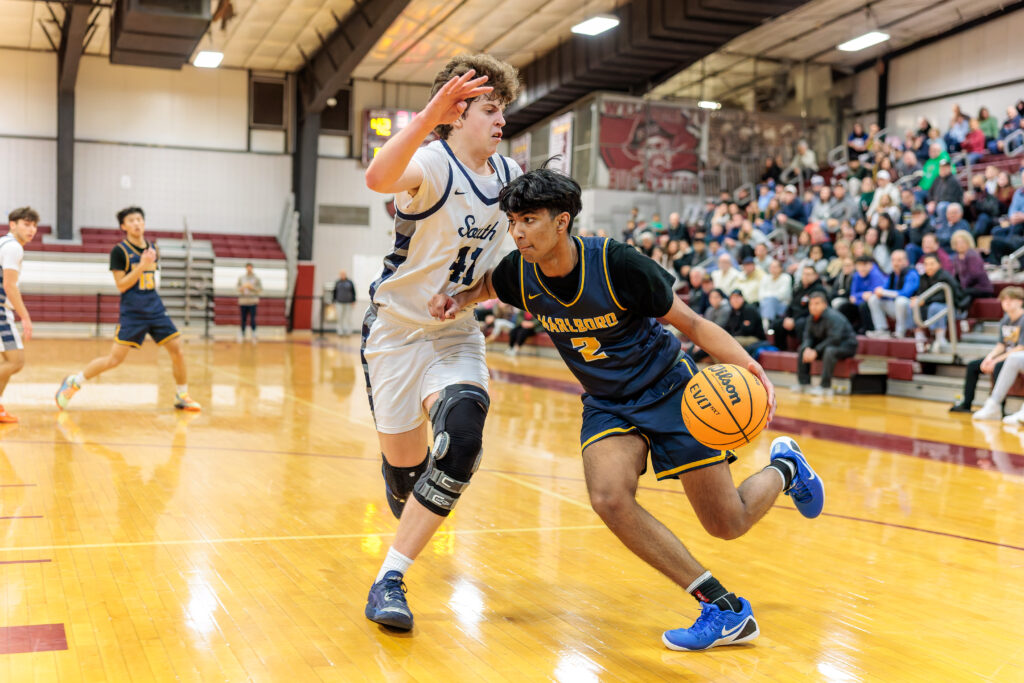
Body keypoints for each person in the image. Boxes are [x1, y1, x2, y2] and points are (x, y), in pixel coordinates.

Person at [429, 167, 824, 651]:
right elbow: (489, 285)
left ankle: (786, 468)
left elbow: (692, 323)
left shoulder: (618, 264)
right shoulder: (519, 272)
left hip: (671, 392)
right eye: (513, 221)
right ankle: (722, 608)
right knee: (609, 498)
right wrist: (458, 299)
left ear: (562, 221)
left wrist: (750, 367)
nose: (517, 232)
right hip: (607, 403)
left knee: (727, 523)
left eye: (528, 220)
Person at [358, 54, 522, 631]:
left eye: (503, 109)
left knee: (462, 439)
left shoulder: (509, 175)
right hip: (396, 334)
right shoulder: (432, 161)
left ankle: (389, 579)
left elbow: (510, 258)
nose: (501, 120)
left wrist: (472, 296)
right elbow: (377, 179)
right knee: (408, 484)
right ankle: (404, 477)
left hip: (455, 330)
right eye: (489, 109)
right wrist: (429, 115)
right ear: (457, 113)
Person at [55, 207, 200, 412]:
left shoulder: (153, 248)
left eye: (139, 219)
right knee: (114, 360)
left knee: (178, 350)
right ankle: (74, 381)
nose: (136, 223)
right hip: (133, 312)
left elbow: (150, 278)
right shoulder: (119, 251)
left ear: (144, 223)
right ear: (123, 226)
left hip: (155, 308)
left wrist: (146, 266)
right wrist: (141, 265)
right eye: (131, 220)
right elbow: (122, 285)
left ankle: (182, 395)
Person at [950, 287, 1024, 414]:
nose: (1006, 303)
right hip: (1005, 356)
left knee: (998, 366)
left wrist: (996, 361)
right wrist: (989, 358)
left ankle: (998, 407)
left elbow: (1020, 347)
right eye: (1004, 300)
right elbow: (1001, 345)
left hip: (1018, 358)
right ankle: (966, 403)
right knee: (973, 366)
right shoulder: (1005, 320)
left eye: (1011, 299)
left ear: (1020, 301)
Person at [0, 208, 38, 423]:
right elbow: (9, 285)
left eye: (34, 225)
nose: (31, 229)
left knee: (7, 361)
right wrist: (25, 316)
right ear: (13, 224)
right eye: (26, 224)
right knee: (16, 361)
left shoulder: (3, 243)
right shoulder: (13, 247)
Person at [793, 292, 858, 398]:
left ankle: (825, 386)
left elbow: (835, 339)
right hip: (827, 345)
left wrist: (816, 350)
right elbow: (807, 337)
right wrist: (807, 348)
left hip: (846, 346)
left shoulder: (834, 317)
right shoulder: (810, 318)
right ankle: (804, 383)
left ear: (825, 305)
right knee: (803, 349)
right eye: (811, 304)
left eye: (817, 303)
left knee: (829, 351)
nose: (813, 307)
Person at [866, 250, 919, 339]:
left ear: (906, 262)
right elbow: (883, 289)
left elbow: (906, 293)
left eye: (899, 260)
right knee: (874, 298)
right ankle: (881, 330)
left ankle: (900, 332)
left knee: (901, 301)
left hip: (911, 310)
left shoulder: (912, 273)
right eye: (893, 260)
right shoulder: (893, 275)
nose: (896, 263)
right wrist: (876, 292)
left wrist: (884, 292)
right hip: (896, 309)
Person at [772, 265, 826, 351]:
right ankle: (780, 351)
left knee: (801, 323)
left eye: (808, 274)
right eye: (804, 274)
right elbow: (791, 306)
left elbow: (812, 310)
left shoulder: (819, 290)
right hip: (794, 319)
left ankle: (804, 350)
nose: (805, 276)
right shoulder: (798, 289)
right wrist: (787, 318)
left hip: (808, 319)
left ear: (815, 276)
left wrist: (794, 320)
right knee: (777, 324)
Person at [236, 262, 262, 341]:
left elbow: (260, 289)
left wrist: (252, 288)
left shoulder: (256, 278)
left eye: (250, 267)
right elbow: (237, 288)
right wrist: (242, 288)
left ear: (252, 268)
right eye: (248, 267)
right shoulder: (241, 278)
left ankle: (254, 332)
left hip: (252, 301)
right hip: (243, 301)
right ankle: (242, 332)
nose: (249, 269)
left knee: (253, 318)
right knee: (243, 318)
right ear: (246, 268)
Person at [332, 270, 357, 335]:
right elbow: (334, 292)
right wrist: (333, 301)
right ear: (340, 275)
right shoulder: (337, 282)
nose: (342, 275)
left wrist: (353, 301)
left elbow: (353, 292)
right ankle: (340, 331)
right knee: (340, 317)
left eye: (343, 274)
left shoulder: (350, 282)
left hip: (348, 303)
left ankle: (348, 331)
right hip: (339, 303)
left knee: (348, 317)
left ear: (345, 274)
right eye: (341, 274)